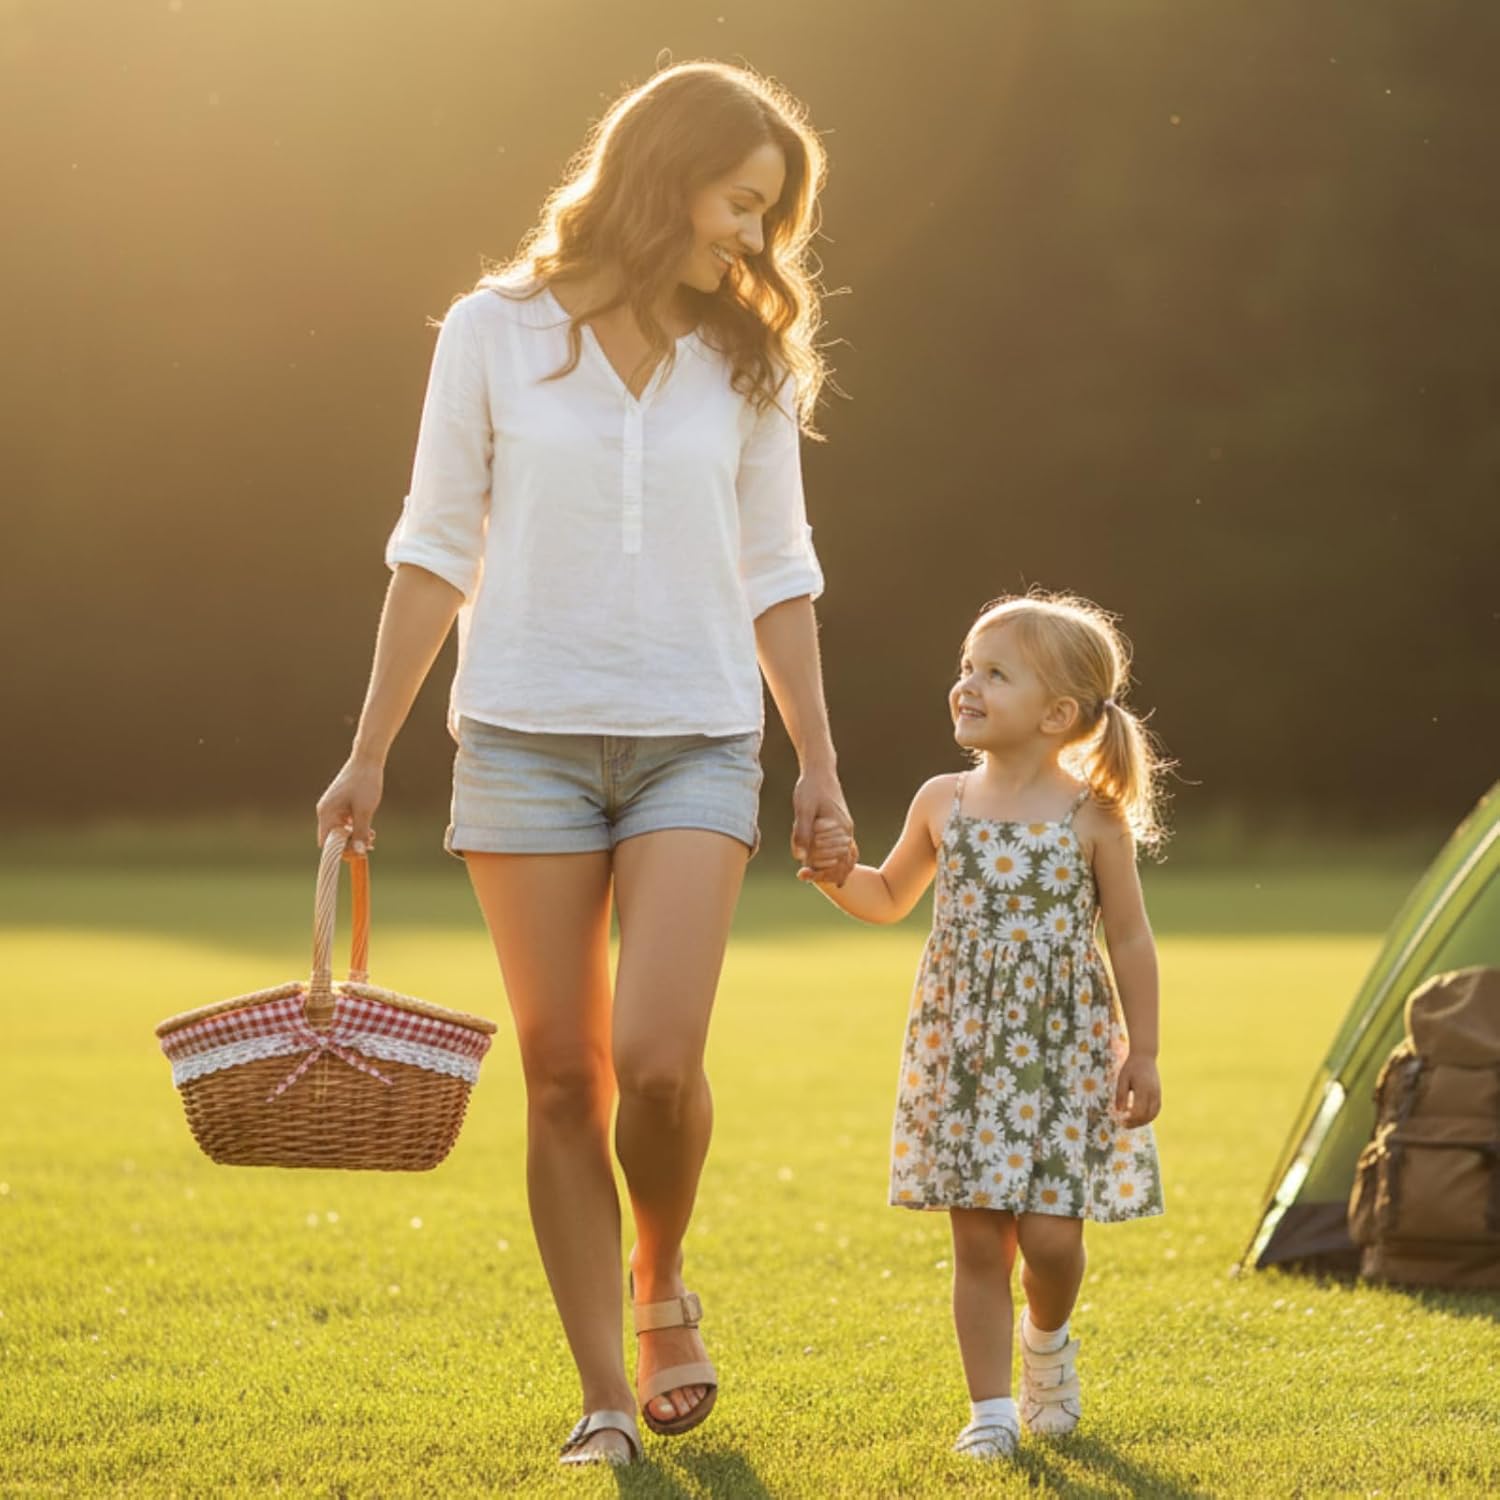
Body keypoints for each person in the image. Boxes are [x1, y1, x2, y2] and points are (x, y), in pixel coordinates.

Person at [315, 61, 857, 1468]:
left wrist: (817, 762)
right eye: (742, 201)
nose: (755, 237)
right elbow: (435, 546)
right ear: (664, 174)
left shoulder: (746, 360)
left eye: (770, 214)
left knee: (658, 1067)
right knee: (565, 1080)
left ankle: (660, 1273)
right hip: (521, 742)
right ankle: (604, 1392)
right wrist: (368, 752)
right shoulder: (492, 333)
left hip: (697, 736)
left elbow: (779, 568)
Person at [801, 591, 1167, 1462]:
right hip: (965, 1051)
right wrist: (833, 874)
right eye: (967, 667)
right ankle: (992, 1411)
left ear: (1057, 714)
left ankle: (1047, 1344)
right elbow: (888, 896)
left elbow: (1129, 936)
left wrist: (1145, 1051)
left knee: (1051, 1239)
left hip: (1063, 1054)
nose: (966, 685)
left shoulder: (1093, 816)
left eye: (994, 674)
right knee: (977, 1237)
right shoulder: (944, 801)